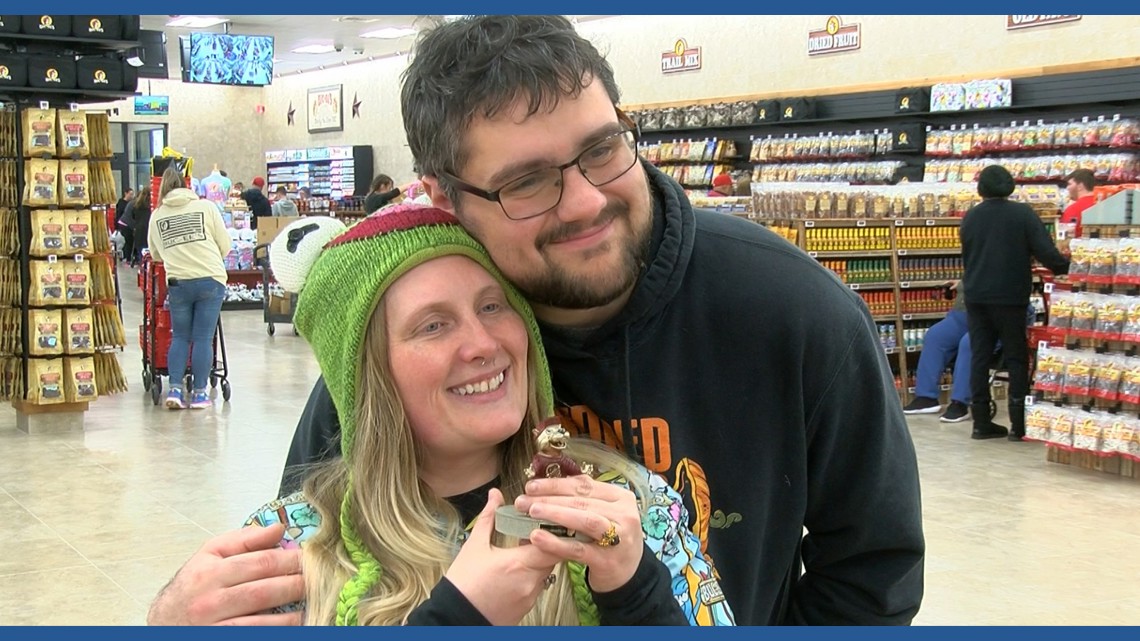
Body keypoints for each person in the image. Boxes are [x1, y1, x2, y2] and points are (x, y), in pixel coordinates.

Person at [150, 15, 925, 627]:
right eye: (526, 181)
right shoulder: (376, 383)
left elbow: (872, 572)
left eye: (603, 149)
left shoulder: (794, 311)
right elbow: (314, 552)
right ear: (445, 198)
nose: (586, 200)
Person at [150, 207, 735, 626]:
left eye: (493, 306)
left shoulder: (630, 507)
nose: (483, 343)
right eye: (433, 325)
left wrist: (636, 593)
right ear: (369, 378)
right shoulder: (293, 548)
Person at [960, 165, 1070, 441]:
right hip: (1009, 296)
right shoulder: (1022, 214)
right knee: (1016, 356)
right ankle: (1019, 424)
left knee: (980, 356)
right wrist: (1065, 268)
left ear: (981, 188)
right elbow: (1045, 251)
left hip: (976, 295)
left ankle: (981, 421)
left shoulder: (971, 216)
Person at [147, 168, 230, 410]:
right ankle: (200, 394)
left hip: (179, 283)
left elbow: (155, 254)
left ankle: (174, 389)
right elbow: (225, 245)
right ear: (187, 186)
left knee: (180, 336)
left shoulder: (157, 215)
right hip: (211, 279)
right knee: (203, 338)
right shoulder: (206, 207)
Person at [902, 281, 973, 422]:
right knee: (935, 336)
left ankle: (960, 403)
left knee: (970, 343)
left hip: (994, 316)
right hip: (963, 313)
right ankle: (926, 397)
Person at [1060, 168, 1096, 240]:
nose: (1067, 188)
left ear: (1080, 186)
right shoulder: (1103, 203)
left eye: (1069, 184)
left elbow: (1064, 237)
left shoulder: (1074, 209)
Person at [128, 186, 153, 266]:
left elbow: (133, 216)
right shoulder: (151, 206)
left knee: (141, 254)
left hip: (139, 232)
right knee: (149, 255)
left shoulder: (137, 205)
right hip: (149, 231)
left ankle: (142, 268)